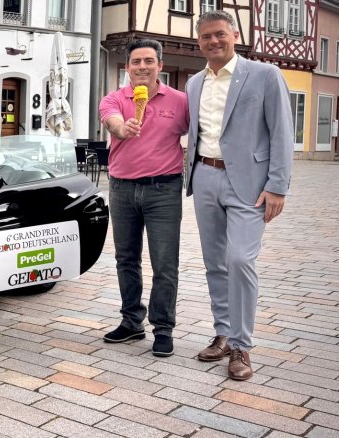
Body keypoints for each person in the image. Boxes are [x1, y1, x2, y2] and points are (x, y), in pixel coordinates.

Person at [185, 10, 292, 381]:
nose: (213, 42)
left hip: (249, 184)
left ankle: (242, 346)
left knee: (240, 259)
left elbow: (281, 132)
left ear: (234, 35)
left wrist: (278, 185)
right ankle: (223, 333)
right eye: (206, 37)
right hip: (204, 176)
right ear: (198, 42)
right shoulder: (195, 84)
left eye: (219, 35)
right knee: (215, 262)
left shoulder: (264, 75)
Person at [98, 39, 189, 357]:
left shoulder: (180, 102)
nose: (142, 67)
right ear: (127, 67)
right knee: (126, 259)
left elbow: (204, 134)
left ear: (159, 65)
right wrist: (120, 128)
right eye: (136, 61)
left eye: (149, 61)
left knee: (165, 264)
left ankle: (163, 329)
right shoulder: (114, 99)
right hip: (122, 189)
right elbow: (110, 119)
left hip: (163, 190)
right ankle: (131, 321)